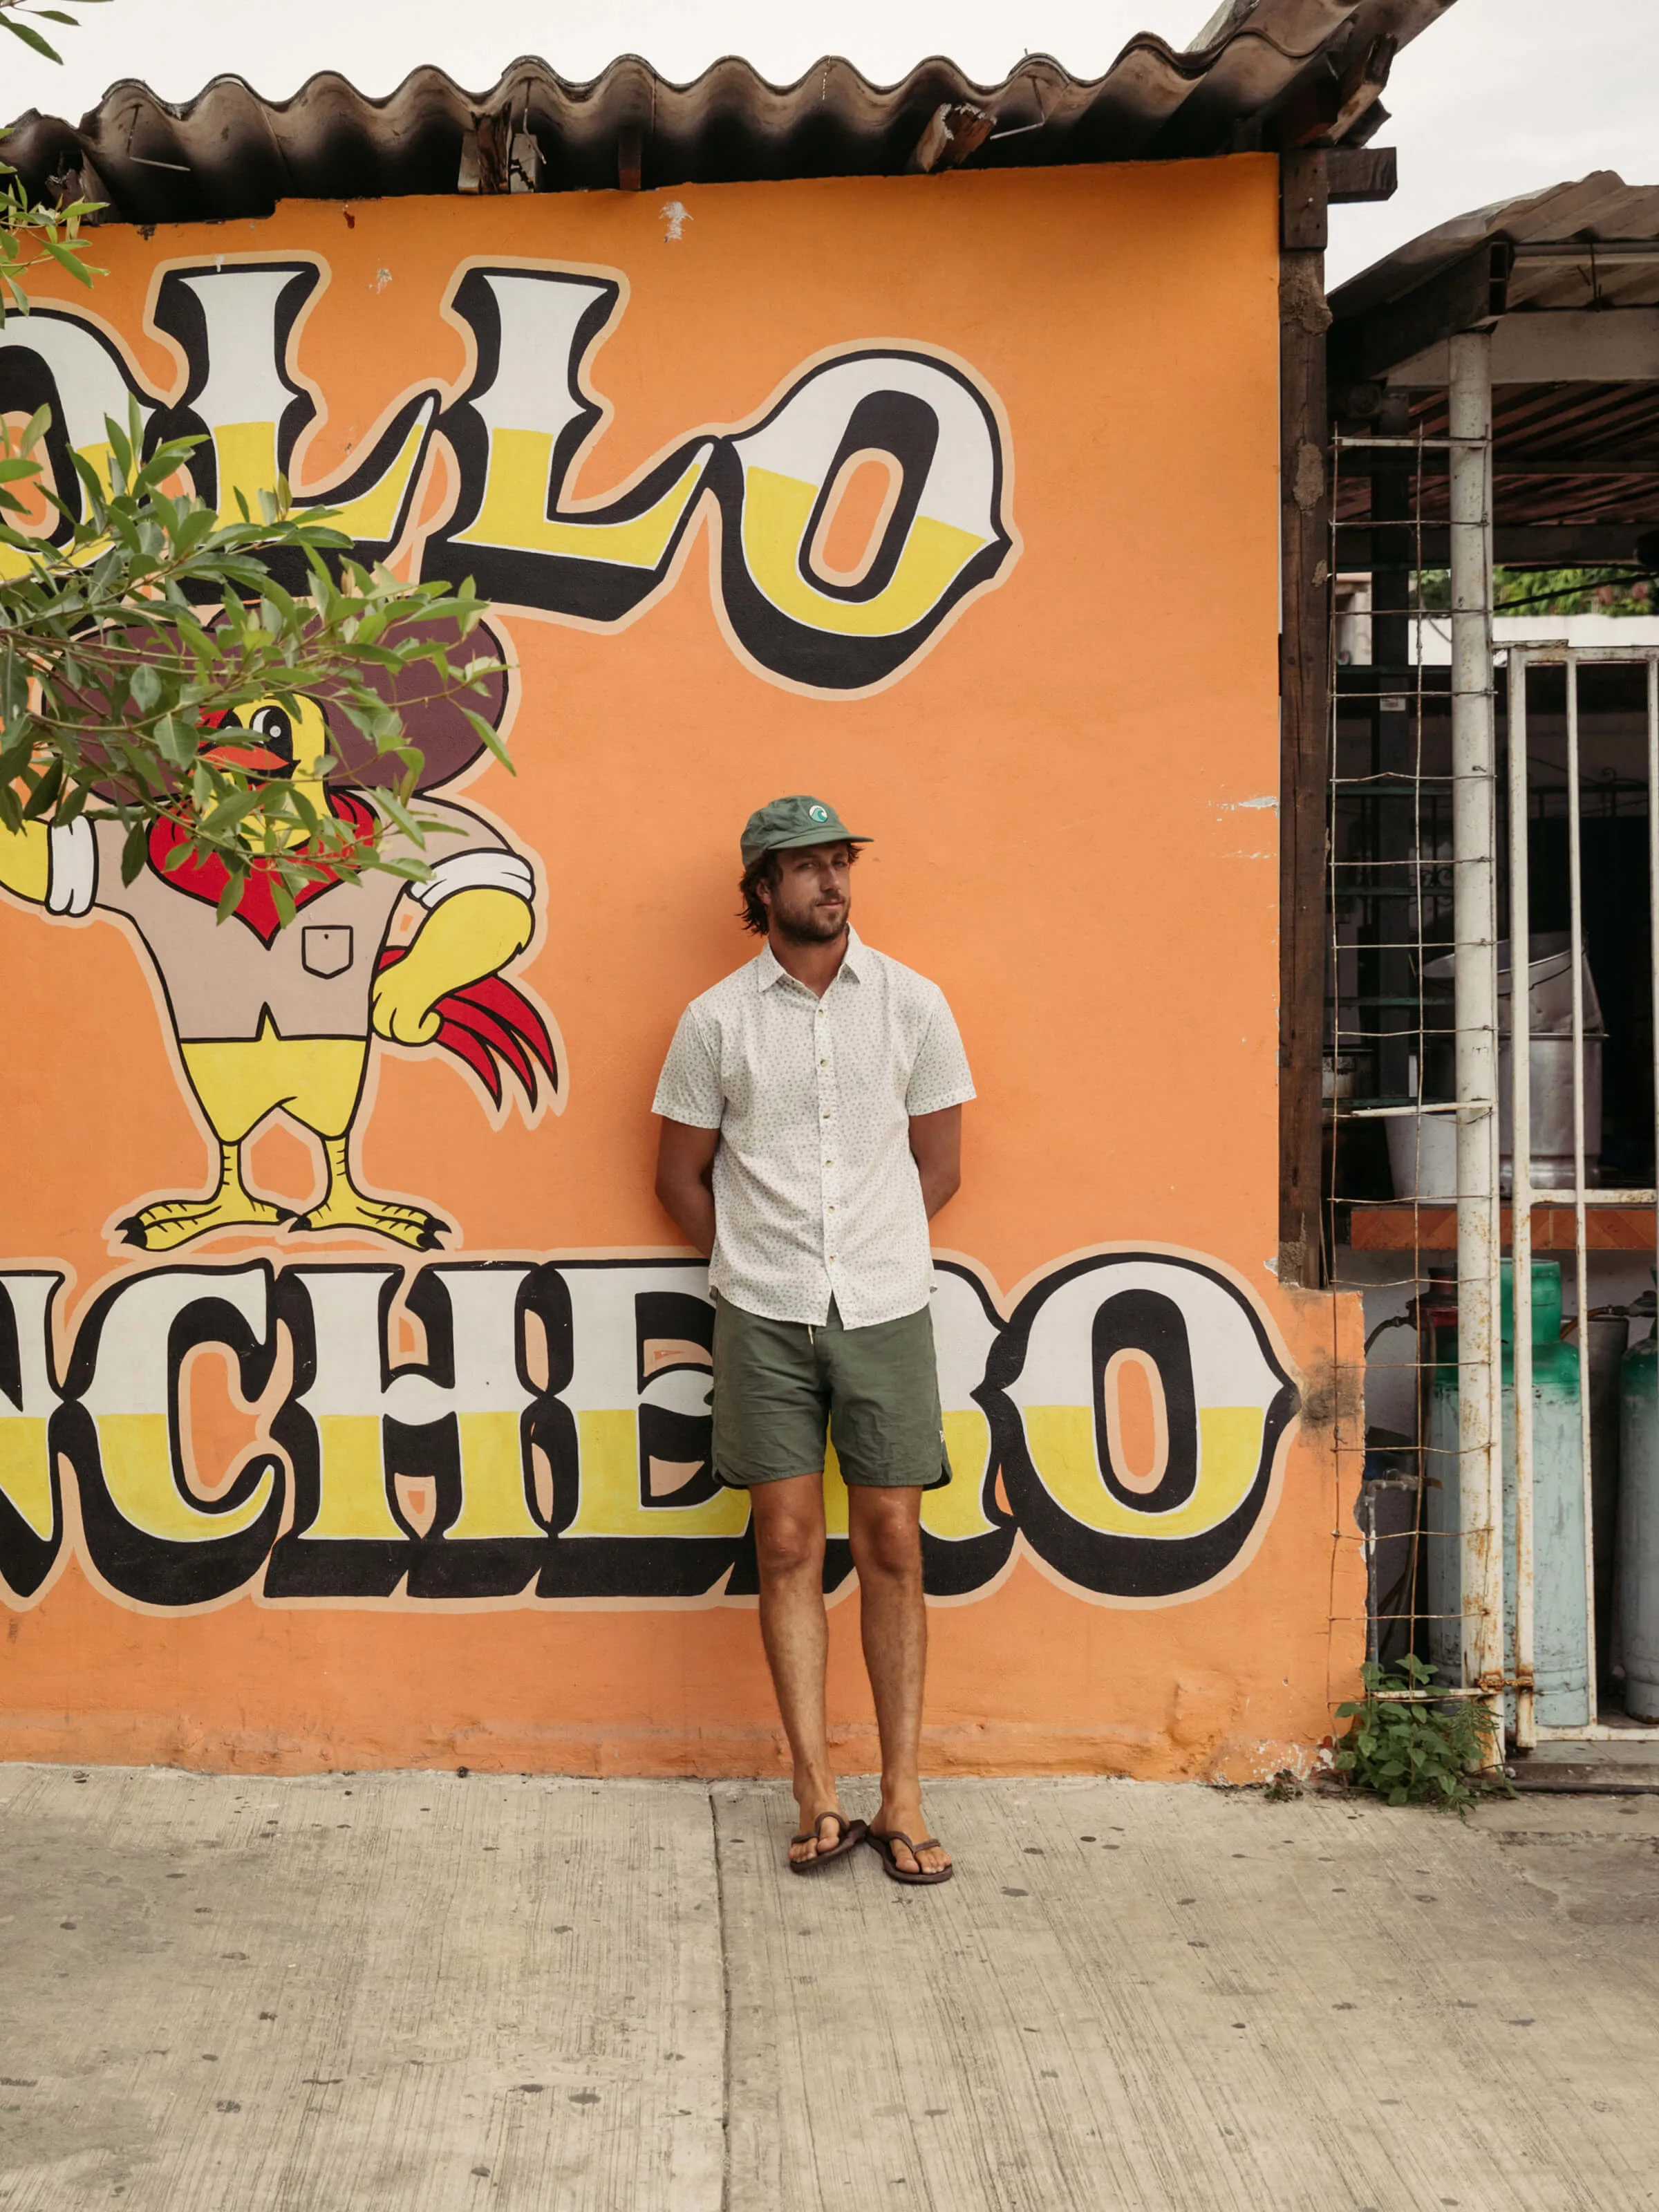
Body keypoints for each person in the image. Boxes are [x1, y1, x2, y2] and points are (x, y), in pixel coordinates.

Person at [653, 796, 973, 1885]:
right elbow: (678, 1177)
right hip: (764, 1313)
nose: (832, 883)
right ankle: (813, 1791)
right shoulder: (715, 1022)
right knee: (786, 1542)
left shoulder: (914, 1004)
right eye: (807, 868)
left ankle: (904, 1793)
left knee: (893, 1540)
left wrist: (871, 1250)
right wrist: (755, 1266)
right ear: (762, 890)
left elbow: (942, 1166)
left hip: (886, 1305)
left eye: (841, 863)